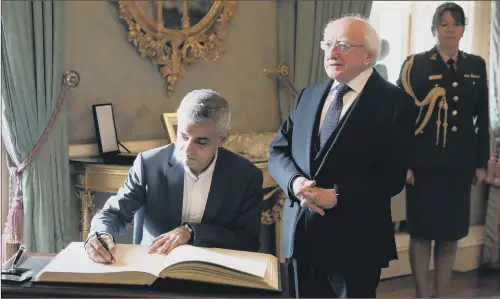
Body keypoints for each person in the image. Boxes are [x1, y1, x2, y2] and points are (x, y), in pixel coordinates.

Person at [268, 15, 415, 298]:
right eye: (328, 44)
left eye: (344, 45)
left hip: (356, 240)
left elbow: (392, 176)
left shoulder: (396, 104)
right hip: (301, 234)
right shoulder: (308, 96)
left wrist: (337, 196)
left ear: (369, 55)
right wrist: (295, 182)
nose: (332, 53)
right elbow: (278, 150)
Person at [84, 89, 263, 264]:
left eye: (201, 142)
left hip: (213, 277)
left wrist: (192, 232)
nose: (187, 149)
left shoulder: (246, 176)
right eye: (183, 136)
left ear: (223, 139)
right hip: (152, 271)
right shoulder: (149, 164)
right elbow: (115, 213)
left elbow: (248, 241)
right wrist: (100, 234)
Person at [396, 2, 489, 297]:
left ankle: (441, 292)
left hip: (460, 165)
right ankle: (423, 293)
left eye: (456, 23)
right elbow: (402, 118)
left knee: (451, 235)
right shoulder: (416, 64)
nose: (450, 29)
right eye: (444, 23)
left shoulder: (476, 65)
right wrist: (405, 163)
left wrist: (481, 161)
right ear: (434, 29)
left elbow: (482, 116)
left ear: (463, 29)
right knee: (421, 233)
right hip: (424, 164)